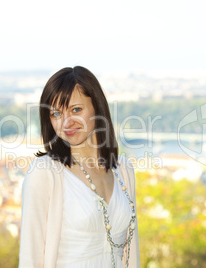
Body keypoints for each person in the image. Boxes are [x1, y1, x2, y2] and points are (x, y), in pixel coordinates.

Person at [19, 66, 140, 267]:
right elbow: (30, 259)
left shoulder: (124, 170)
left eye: (76, 109)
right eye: (56, 114)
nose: (67, 122)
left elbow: (131, 253)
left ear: (98, 108)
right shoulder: (45, 173)